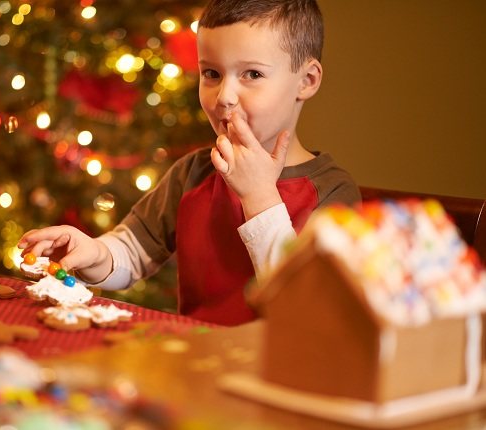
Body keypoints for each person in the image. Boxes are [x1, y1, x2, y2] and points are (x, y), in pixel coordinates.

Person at [18, 0, 360, 326]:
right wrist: (94, 252)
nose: (224, 96)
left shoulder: (332, 192)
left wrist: (259, 197)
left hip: (276, 377)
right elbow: (133, 250)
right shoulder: (194, 172)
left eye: (252, 75)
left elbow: (305, 308)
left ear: (307, 80)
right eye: (211, 73)